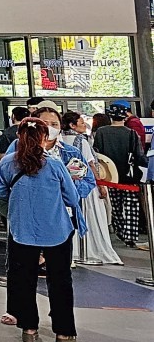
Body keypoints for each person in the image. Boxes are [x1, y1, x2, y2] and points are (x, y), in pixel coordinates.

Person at [0, 117, 81, 342]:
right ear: (44, 138)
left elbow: (0, 193)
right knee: (60, 280)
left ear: (18, 136)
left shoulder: (7, 163)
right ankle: (64, 333)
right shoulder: (54, 165)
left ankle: (29, 328)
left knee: (24, 279)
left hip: (22, 230)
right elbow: (72, 198)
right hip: (57, 231)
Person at [61, 111, 122, 265]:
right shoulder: (82, 141)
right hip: (85, 185)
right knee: (91, 217)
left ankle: (73, 252)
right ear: (72, 125)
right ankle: (90, 250)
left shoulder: (60, 140)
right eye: (81, 123)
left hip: (67, 186)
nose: (84, 125)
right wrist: (100, 183)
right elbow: (90, 164)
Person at [94, 103, 144, 247]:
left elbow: (97, 153)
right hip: (129, 176)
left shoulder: (101, 132)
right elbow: (139, 155)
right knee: (130, 207)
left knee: (116, 206)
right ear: (125, 115)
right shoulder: (131, 133)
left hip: (110, 176)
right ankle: (131, 236)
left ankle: (120, 232)